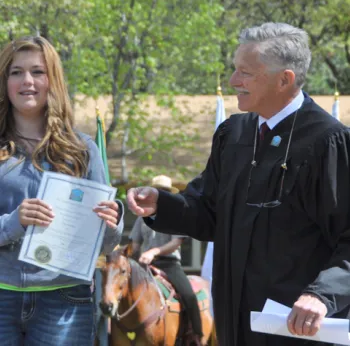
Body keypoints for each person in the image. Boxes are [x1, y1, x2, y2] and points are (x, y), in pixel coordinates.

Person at [127, 22, 350, 346]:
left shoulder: (328, 143)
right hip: (235, 325)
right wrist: (162, 204)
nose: (233, 81)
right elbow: (208, 211)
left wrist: (322, 296)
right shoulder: (234, 134)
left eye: (245, 73)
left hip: (297, 330)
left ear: (284, 79)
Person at [0, 36, 124, 345]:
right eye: (16, 72)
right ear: (5, 81)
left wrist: (112, 223)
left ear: (52, 80)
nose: (27, 81)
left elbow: (105, 245)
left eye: (37, 72)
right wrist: (14, 221)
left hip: (65, 299)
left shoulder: (83, 150)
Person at [129, 175, 203, 345]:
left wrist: (154, 251)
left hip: (169, 263)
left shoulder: (176, 215)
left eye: (164, 192)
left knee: (188, 295)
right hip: (145, 265)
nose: (161, 194)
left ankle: (197, 335)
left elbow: (176, 242)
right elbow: (135, 243)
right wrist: (125, 254)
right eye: (158, 190)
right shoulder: (142, 216)